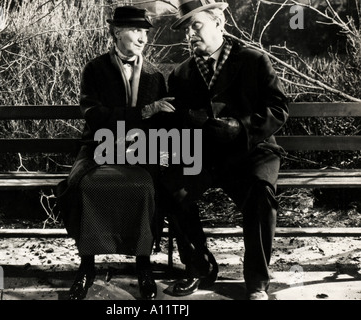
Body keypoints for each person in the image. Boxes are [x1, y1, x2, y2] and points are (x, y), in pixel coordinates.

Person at [164, 0, 289, 300]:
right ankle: (200, 267)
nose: (190, 35)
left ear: (219, 23)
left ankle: (257, 281)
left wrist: (241, 127)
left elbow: (279, 109)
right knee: (173, 190)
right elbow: (178, 120)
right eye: (186, 30)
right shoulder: (181, 74)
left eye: (196, 26)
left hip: (251, 152)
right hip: (205, 155)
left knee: (261, 193)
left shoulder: (254, 60)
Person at [56, 6, 175, 300]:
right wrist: (144, 111)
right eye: (136, 31)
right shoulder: (94, 70)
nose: (143, 38)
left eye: (145, 32)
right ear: (117, 33)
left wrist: (164, 154)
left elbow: (160, 125)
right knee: (85, 185)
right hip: (99, 146)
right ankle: (87, 265)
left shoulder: (154, 75)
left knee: (150, 186)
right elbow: (94, 115)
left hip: (140, 151)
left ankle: (143, 264)